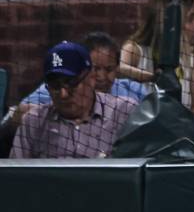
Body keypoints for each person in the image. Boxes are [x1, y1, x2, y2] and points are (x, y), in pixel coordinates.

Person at [9, 42, 138, 160]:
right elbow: (15, 178)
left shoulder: (123, 112)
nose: (63, 94)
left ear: (91, 78)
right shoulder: (33, 122)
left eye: (71, 83)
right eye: (55, 86)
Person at [119, 0, 194, 111]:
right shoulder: (135, 49)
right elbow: (121, 68)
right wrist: (152, 77)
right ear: (171, 22)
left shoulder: (193, 54)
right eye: (190, 19)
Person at [19, 31, 149, 111]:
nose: (102, 76)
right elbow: (20, 111)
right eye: (95, 68)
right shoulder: (62, 88)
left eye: (109, 69)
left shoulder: (132, 89)